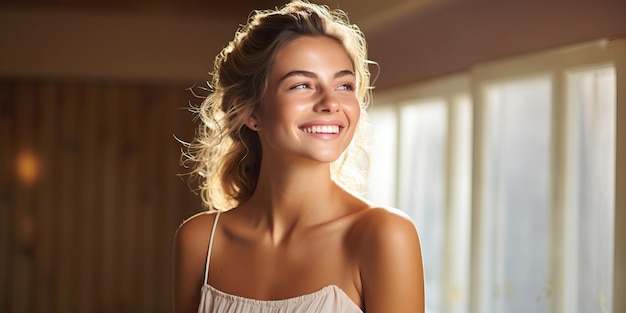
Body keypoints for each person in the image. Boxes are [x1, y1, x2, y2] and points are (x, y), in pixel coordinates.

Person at [172, 1, 424, 312]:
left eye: (344, 85)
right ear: (249, 111)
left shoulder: (383, 236)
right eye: (302, 84)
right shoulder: (200, 242)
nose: (331, 103)